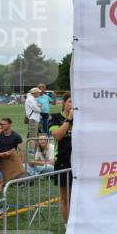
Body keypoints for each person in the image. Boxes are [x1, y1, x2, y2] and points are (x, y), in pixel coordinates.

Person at [50, 92, 73, 222]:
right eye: (70, 101)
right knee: (65, 197)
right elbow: (57, 135)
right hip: (63, 161)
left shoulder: (81, 118)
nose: (72, 104)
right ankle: (67, 227)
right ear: (64, 102)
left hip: (81, 161)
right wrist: (69, 119)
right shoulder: (55, 117)